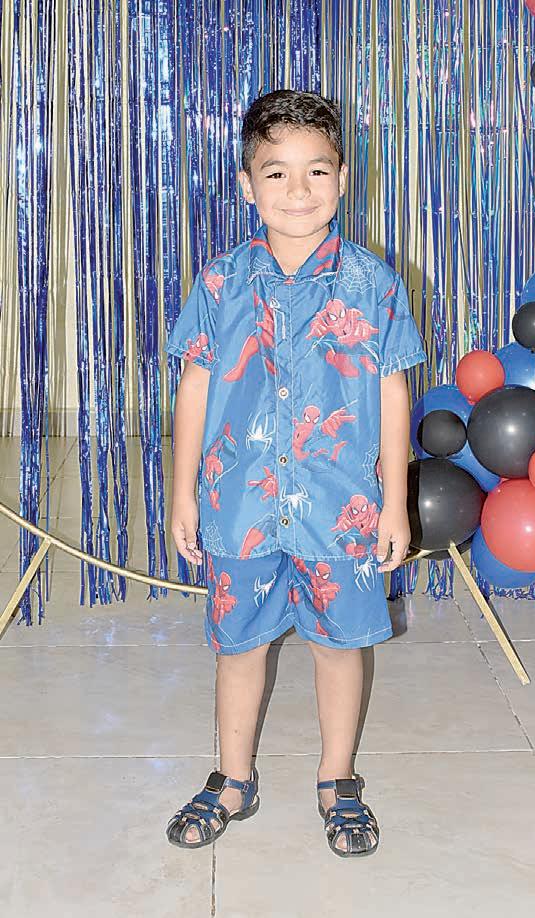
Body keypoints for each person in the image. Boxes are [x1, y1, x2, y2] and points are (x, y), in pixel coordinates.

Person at [163, 89, 426, 858]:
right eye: (275, 172)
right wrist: (182, 493)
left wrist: (394, 503)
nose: (298, 189)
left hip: (340, 508)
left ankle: (337, 778)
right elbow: (194, 387)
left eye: (316, 170)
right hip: (238, 504)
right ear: (247, 186)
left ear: (342, 178)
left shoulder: (374, 285)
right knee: (238, 645)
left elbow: (391, 390)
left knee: (338, 644)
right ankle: (233, 777)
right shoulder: (219, 283)